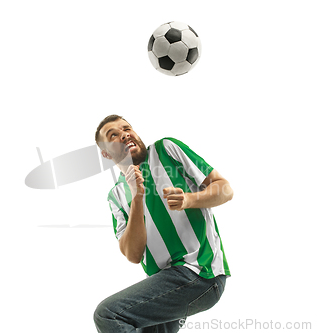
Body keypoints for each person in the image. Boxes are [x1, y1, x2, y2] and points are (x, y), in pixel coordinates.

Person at [93, 115, 233, 333]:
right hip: (165, 283)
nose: (124, 134)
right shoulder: (116, 195)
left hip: (199, 273)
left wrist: (189, 199)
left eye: (126, 128)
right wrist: (137, 197)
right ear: (105, 153)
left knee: (109, 314)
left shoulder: (166, 149)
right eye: (113, 135)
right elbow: (133, 254)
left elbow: (225, 189)